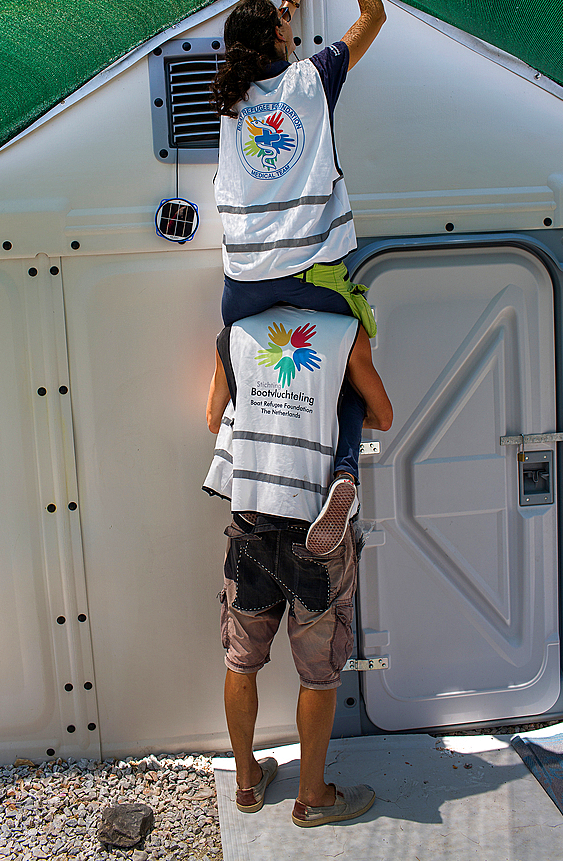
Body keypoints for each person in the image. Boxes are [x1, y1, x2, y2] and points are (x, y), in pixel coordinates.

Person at [210, 0, 387, 556]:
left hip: (245, 283)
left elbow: (261, 43)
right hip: (313, 272)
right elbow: (373, 19)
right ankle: (342, 472)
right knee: (349, 368)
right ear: (283, 38)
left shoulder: (228, 100)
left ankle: (238, 446)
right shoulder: (312, 80)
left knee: (241, 366)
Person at [204, 304, 392, 827]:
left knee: (241, 659)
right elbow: (385, 415)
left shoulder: (235, 334)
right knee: (318, 674)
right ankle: (312, 797)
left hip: (251, 519)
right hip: (315, 528)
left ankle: (247, 783)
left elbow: (211, 416)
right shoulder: (344, 332)